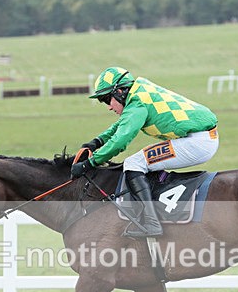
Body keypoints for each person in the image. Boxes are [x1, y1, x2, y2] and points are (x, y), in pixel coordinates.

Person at [72, 66, 219, 238]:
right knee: (141, 161)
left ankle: (152, 222)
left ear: (119, 91)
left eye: (106, 100)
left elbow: (121, 140)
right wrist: (97, 142)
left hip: (198, 142)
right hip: (201, 138)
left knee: (134, 163)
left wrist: (90, 163)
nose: (109, 107)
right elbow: (121, 125)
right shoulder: (138, 92)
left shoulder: (137, 104)